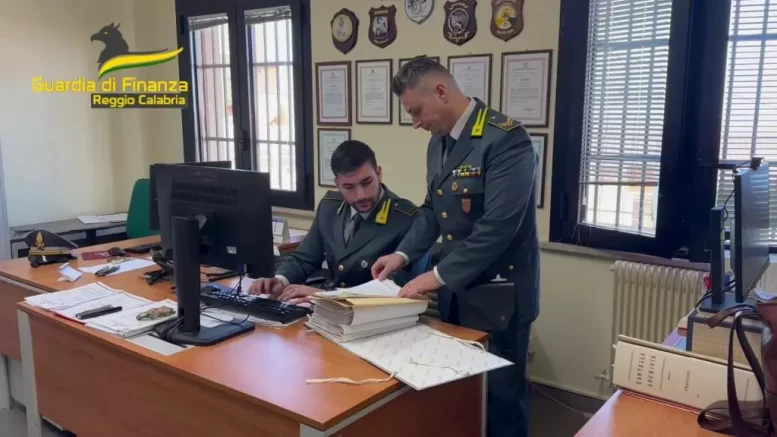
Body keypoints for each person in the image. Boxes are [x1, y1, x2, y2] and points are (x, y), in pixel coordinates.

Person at [371, 56, 540, 437]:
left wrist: (435, 276)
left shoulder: (506, 139)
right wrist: (401, 255)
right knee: (460, 397)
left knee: (501, 398)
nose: (415, 123)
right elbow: (432, 210)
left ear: (441, 92)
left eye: (416, 111)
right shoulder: (438, 143)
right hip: (457, 293)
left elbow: (498, 227)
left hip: (498, 296)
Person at [248, 140, 421, 304]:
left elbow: (393, 290)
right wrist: (280, 280)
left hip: (371, 316)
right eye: (349, 187)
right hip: (327, 311)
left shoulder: (406, 218)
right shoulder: (330, 207)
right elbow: (304, 259)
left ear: (379, 173)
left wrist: (324, 296)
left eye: (366, 182)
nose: (361, 195)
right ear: (337, 184)